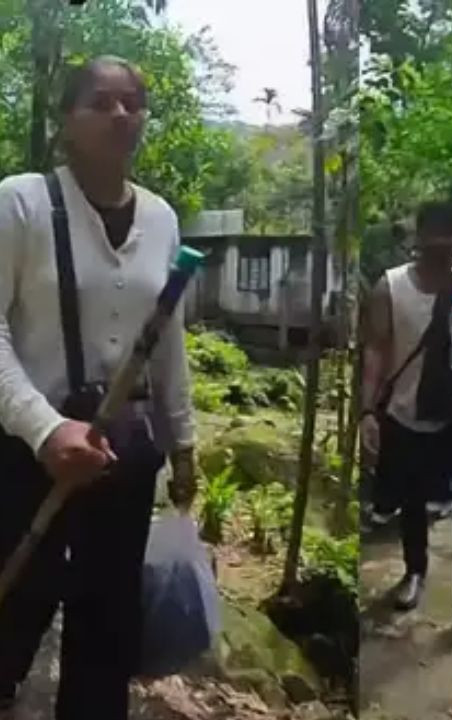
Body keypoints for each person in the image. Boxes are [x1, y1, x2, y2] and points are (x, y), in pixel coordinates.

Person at [0, 56, 197, 719]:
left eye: (132, 103)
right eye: (101, 102)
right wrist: (45, 429)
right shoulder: (20, 203)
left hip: (123, 453)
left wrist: (183, 442)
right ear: (67, 120)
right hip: (27, 451)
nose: (120, 115)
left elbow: (167, 339)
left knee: (108, 618)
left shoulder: (162, 219)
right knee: (18, 597)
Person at [359, 201, 452, 636]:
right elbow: (376, 349)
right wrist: (367, 410)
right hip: (406, 413)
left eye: (450, 236)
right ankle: (414, 571)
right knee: (413, 500)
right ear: (418, 238)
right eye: (434, 236)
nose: (442, 245)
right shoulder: (391, 287)